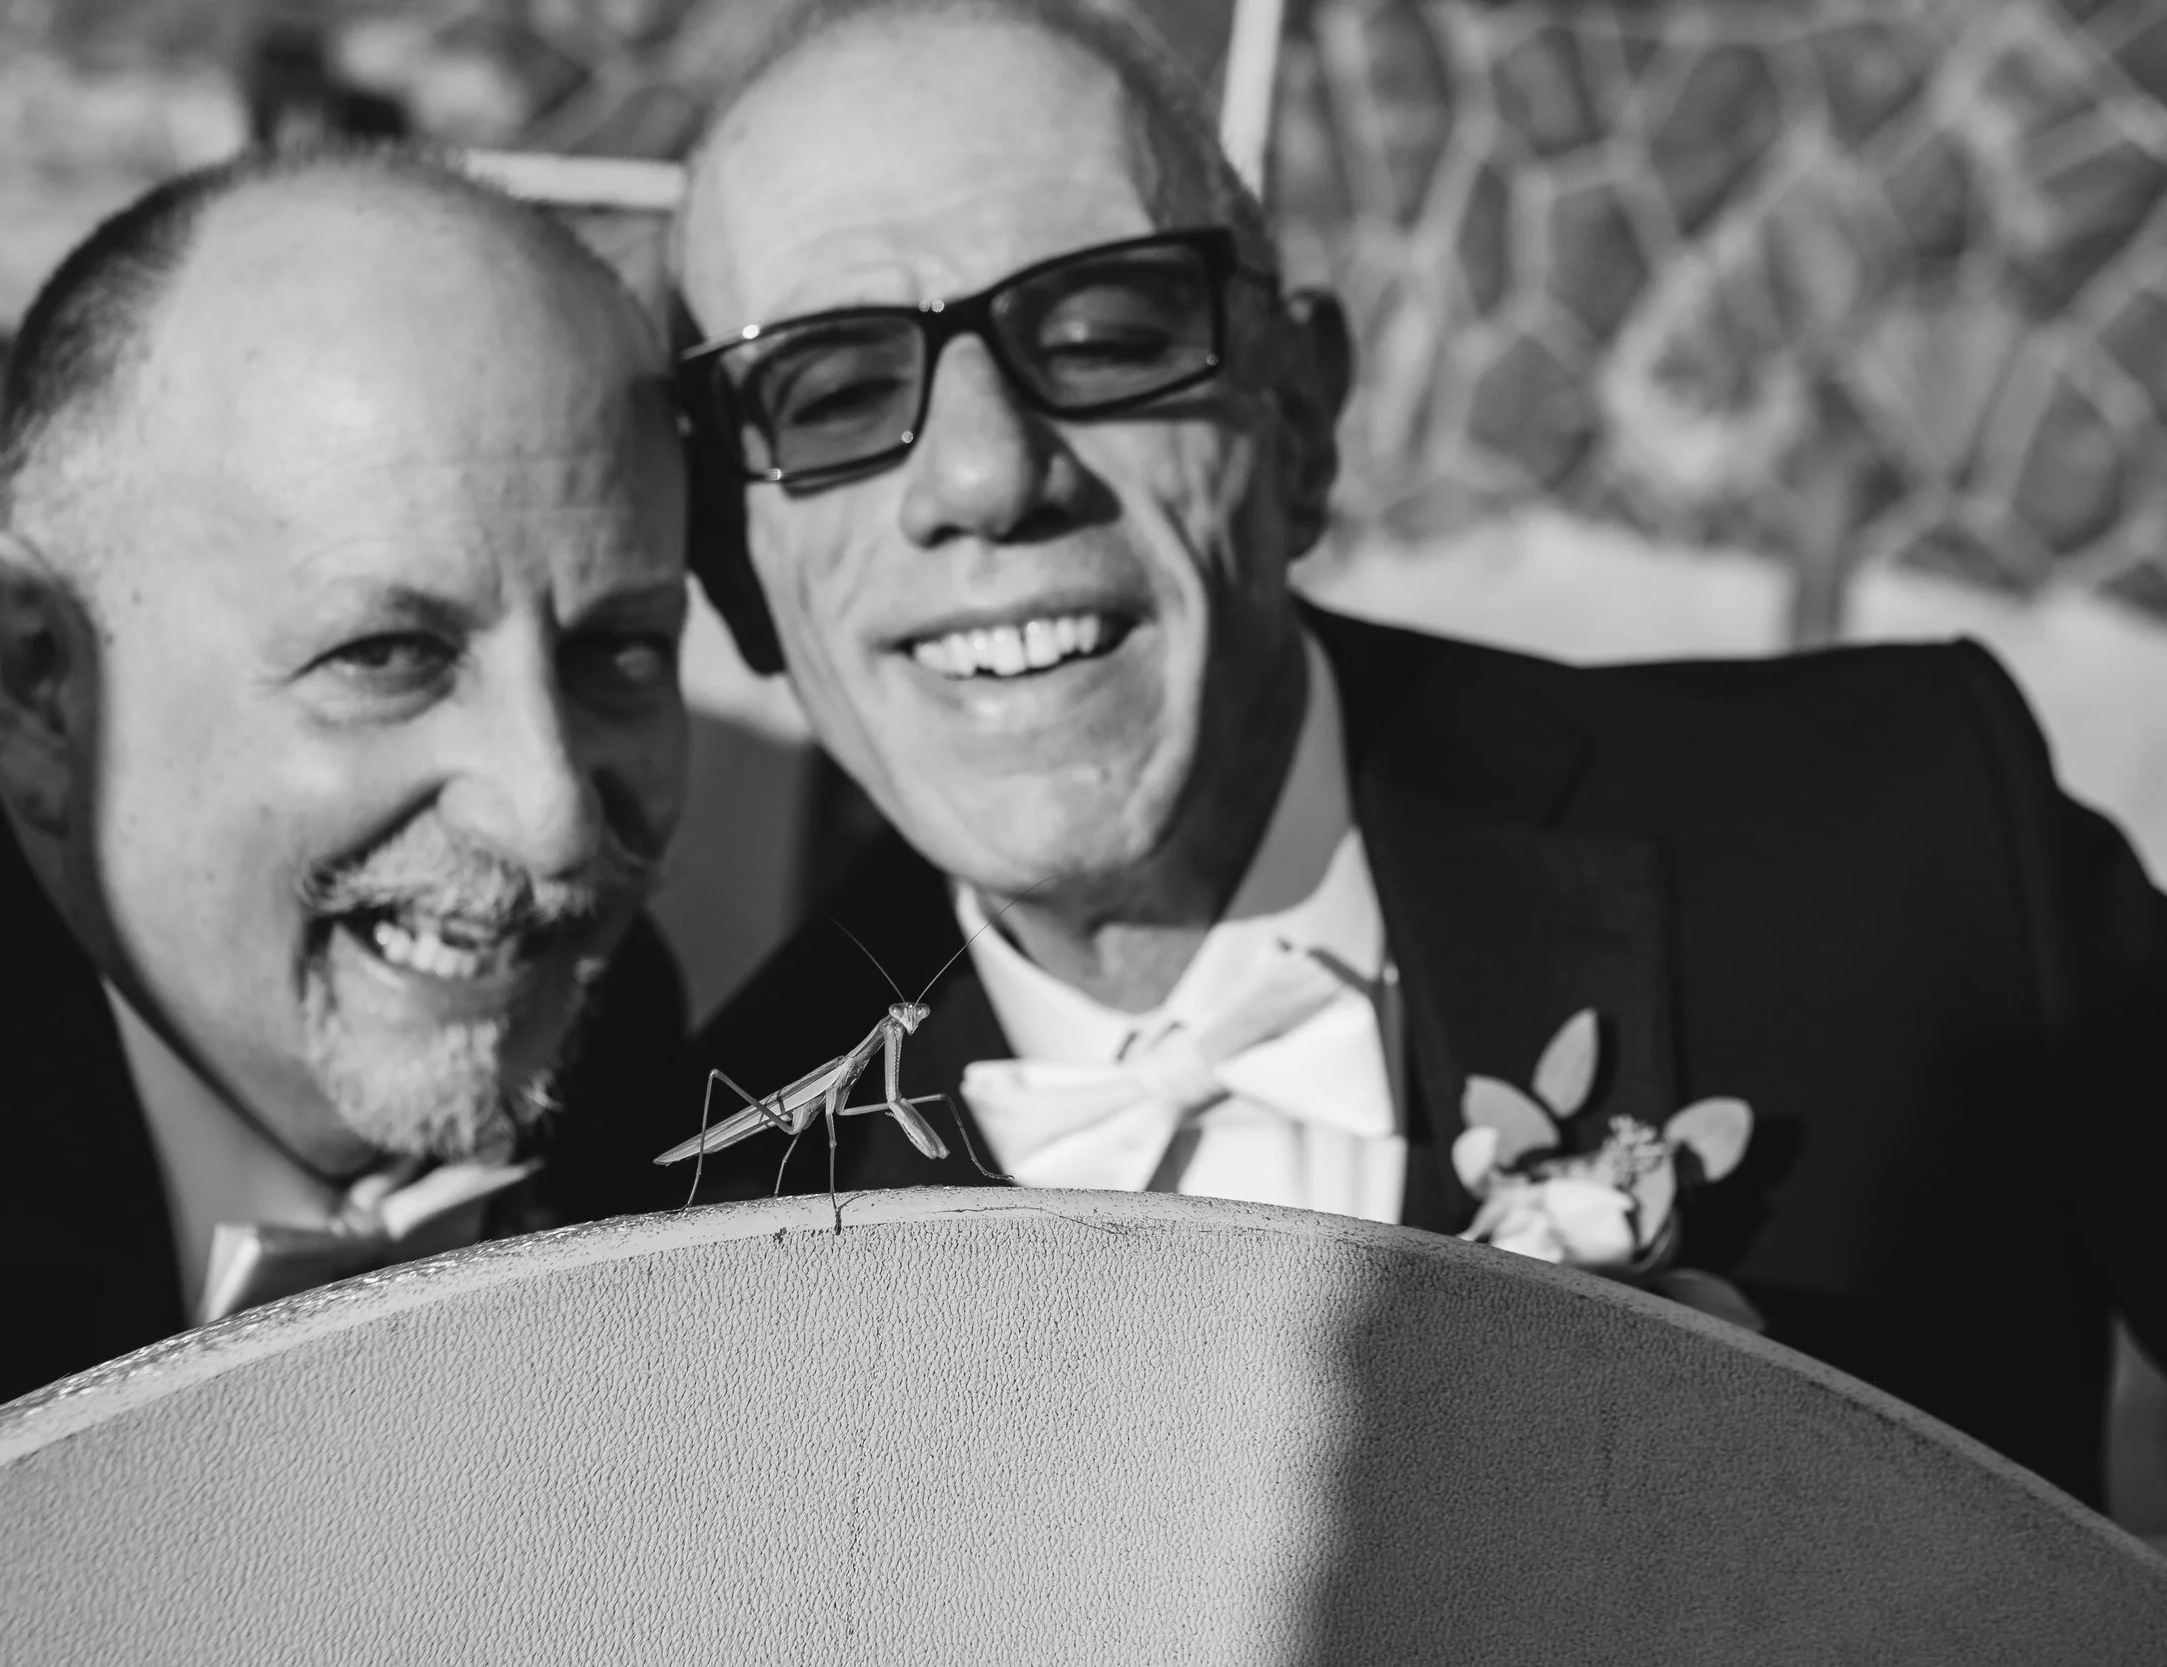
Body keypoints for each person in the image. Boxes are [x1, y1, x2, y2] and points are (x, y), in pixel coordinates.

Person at [669, 0, 2167, 1510]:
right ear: (733, 570)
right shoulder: (670, 1258)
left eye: (1104, 335)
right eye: (832, 392)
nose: (989, 475)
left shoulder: (1910, 840)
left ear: (1301, 417)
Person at [0, 145, 693, 1566]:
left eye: (621, 652)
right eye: (385, 654)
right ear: (40, 679)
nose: (553, 817)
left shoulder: (628, 1048)